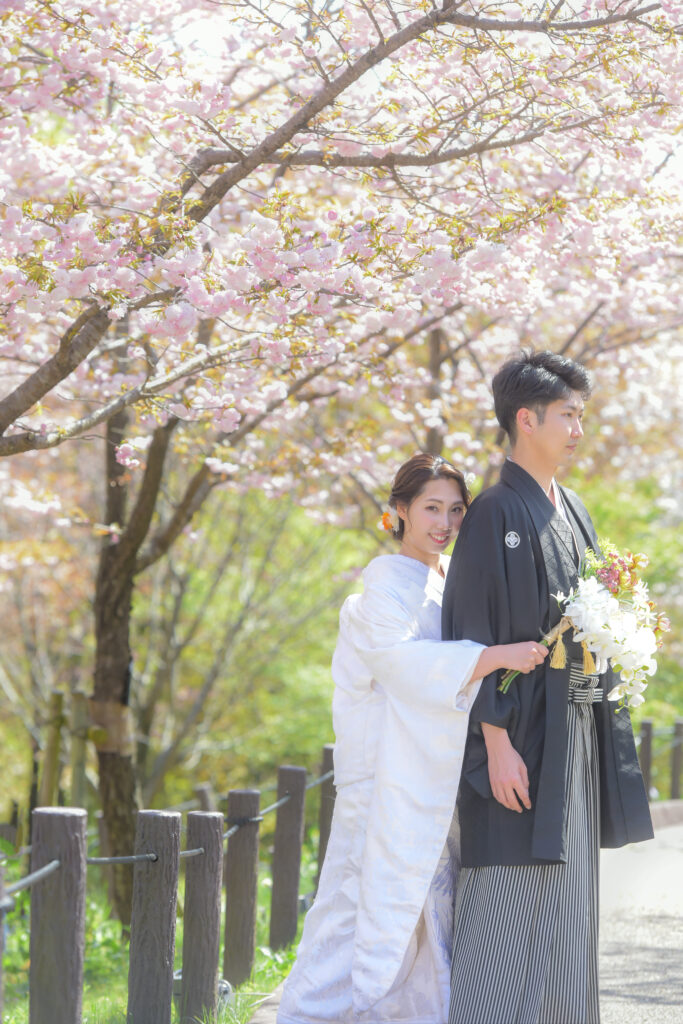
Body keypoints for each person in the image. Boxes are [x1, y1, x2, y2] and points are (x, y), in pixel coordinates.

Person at [277, 452, 548, 1024]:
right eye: (430, 508)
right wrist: (496, 656)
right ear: (398, 511)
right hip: (386, 774)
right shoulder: (384, 583)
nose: (443, 524)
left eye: (455, 510)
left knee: (428, 907)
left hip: (428, 767)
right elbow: (398, 663)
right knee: (364, 901)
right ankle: (316, 1013)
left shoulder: (446, 579)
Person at [443, 351, 653, 1024]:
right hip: (518, 734)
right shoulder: (493, 513)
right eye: (567, 415)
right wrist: (494, 741)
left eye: (580, 416)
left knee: (568, 903)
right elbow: (469, 636)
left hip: (574, 728)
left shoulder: (576, 509)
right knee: (508, 895)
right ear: (525, 419)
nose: (577, 430)